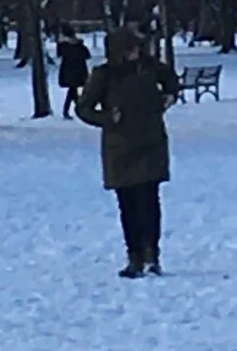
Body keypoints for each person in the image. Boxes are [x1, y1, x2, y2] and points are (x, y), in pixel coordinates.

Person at [76, 27, 180, 278]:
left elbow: (172, 81)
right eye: (130, 48)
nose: (135, 53)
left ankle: (152, 254)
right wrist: (107, 118)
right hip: (120, 148)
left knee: (149, 202)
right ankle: (134, 256)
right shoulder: (104, 75)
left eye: (137, 48)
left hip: (150, 143)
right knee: (129, 205)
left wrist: (169, 97)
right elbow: (84, 108)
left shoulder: (150, 67)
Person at [55, 24, 91, 119]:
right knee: (73, 91)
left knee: (72, 91)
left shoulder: (64, 46)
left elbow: (59, 54)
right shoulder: (79, 45)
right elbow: (87, 55)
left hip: (68, 71)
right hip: (79, 70)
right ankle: (77, 109)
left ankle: (73, 109)